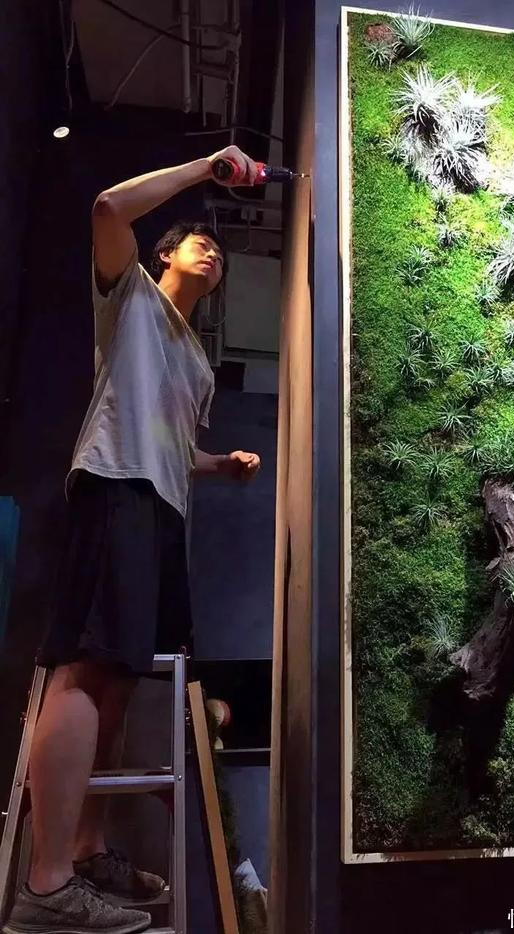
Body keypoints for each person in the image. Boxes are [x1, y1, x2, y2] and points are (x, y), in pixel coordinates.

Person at [3, 145, 262, 934]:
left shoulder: (199, 362)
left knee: (117, 679)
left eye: (219, 252)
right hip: (115, 484)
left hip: (163, 510)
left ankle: (84, 853)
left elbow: (176, 446)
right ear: (165, 256)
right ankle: (45, 884)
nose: (212, 253)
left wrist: (218, 466)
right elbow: (108, 208)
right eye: (199, 242)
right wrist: (206, 168)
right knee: (86, 666)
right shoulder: (131, 299)